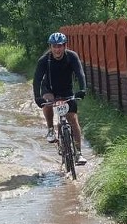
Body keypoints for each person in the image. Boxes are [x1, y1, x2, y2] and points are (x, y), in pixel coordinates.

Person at [33, 32, 88, 165]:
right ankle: (51, 129)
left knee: (73, 120)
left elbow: (80, 74)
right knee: (47, 103)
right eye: (54, 46)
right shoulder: (44, 60)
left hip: (66, 90)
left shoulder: (72, 56)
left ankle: (79, 153)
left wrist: (82, 89)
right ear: (50, 47)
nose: (57, 49)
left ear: (64, 46)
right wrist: (37, 98)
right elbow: (37, 80)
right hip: (49, 89)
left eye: (60, 46)